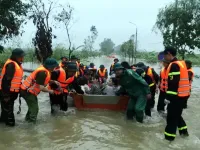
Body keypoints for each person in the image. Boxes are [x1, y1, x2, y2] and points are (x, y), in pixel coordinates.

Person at [20, 58, 59, 123]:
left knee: (32, 107)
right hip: (27, 92)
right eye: (54, 67)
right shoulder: (42, 72)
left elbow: (43, 80)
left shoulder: (44, 70)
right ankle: (31, 125)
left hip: (27, 91)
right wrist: (50, 91)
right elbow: (41, 87)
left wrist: (53, 81)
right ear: (50, 66)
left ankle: (27, 120)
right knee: (35, 109)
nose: (54, 68)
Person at [163, 47, 189, 141]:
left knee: (171, 119)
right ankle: (184, 134)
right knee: (177, 116)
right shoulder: (181, 63)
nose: (164, 57)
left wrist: (168, 97)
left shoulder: (174, 65)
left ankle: (168, 140)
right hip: (183, 96)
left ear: (169, 54)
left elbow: (174, 83)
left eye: (165, 55)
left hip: (176, 97)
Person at [0, 48, 25, 126]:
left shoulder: (16, 64)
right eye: (21, 56)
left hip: (11, 92)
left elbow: (16, 80)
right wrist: (6, 95)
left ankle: (3, 125)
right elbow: (6, 81)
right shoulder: (11, 65)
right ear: (16, 56)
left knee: (5, 111)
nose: (23, 58)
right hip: (7, 92)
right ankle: (10, 128)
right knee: (9, 111)